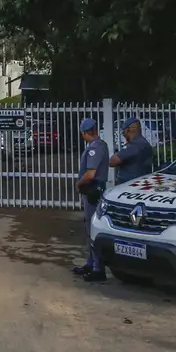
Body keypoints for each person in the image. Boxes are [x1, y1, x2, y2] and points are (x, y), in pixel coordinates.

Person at [72, 118, 110, 282]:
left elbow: (90, 174)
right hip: (93, 190)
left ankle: (98, 268)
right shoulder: (100, 146)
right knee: (89, 229)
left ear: (85, 133)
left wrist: (78, 184)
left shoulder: (96, 148)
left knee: (93, 229)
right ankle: (91, 263)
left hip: (93, 190)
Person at [109, 118, 154, 184]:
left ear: (127, 130)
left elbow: (112, 162)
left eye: (123, 132)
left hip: (129, 184)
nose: (123, 135)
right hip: (141, 182)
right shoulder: (145, 143)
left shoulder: (134, 146)